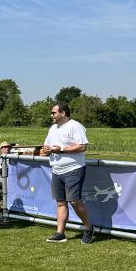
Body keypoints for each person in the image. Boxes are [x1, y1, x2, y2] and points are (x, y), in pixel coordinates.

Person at [40, 102, 95, 244]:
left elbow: (82, 147)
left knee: (74, 201)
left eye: (54, 113)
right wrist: (46, 150)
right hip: (56, 170)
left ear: (63, 113)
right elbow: (45, 146)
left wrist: (62, 149)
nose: (51, 115)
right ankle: (60, 233)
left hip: (73, 169)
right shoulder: (53, 128)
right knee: (60, 203)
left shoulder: (75, 126)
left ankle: (88, 228)